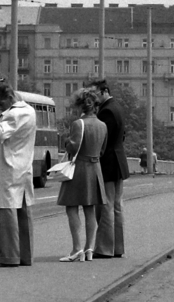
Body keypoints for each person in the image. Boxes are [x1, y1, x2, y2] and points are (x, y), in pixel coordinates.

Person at [0, 84, 37, 267]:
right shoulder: (30, 111)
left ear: (10, 97)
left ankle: (8, 256)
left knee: (7, 211)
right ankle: (25, 255)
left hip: (9, 166)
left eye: (0, 103)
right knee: (24, 210)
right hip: (24, 165)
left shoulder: (14, 114)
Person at [55, 89, 106, 262]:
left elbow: (73, 147)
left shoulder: (78, 124)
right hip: (95, 168)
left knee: (71, 207)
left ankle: (77, 248)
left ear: (80, 105)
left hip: (80, 169)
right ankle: (89, 249)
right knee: (90, 208)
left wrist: (66, 141)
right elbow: (103, 149)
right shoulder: (102, 125)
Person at [91, 82, 128, 258]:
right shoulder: (118, 108)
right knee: (117, 206)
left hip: (109, 163)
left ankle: (105, 248)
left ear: (105, 92)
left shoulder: (107, 111)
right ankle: (117, 247)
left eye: (96, 94)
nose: (94, 98)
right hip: (118, 161)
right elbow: (123, 135)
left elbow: (102, 138)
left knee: (106, 206)